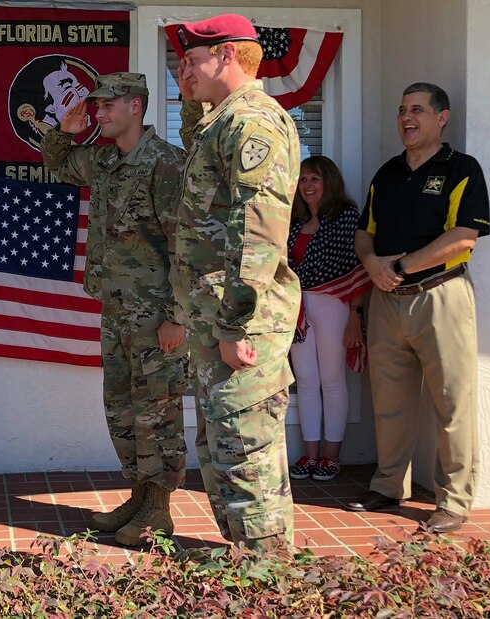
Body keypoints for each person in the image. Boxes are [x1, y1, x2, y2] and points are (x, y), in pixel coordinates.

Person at [40, 73, 189, 546]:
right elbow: (58, 165)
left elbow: (186, 246)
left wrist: (178, 317)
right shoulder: (105, 159)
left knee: (157, 412)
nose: (98, 114)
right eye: (96, 106)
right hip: (117, 309)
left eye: (106, 106)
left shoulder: (166, 164)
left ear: (135, 106)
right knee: (122, 409)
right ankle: (139, 496)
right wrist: (64, 128)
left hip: (156, 315)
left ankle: (158, 509)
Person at [173, 14, 301, 550]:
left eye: (193, 59)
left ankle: (268, 578)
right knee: (222, 449)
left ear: (226, 56)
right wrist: (192, 100)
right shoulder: (221, 121)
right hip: (215, 321)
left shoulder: (252, 124)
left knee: (246, 451)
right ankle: (244, 569)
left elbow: (257, 232)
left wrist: (234, 324)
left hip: (240, 323)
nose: (184, 68)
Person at [348, 83, 490, 533]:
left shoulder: (461, 168)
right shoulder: (387, 172)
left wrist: (403, 266)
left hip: (440, 297)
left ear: (441, 117)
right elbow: (364, 232)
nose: (406, 118)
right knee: (389, 403)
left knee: (452, 403)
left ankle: (453, 502)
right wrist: (372, 264)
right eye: (401, 109)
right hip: (386, 300)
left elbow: (464, 236)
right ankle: (389, 486)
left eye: (417, 110)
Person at [287, 156, 367, 482]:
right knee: (305, 380)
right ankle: (310, 453)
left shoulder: (347, 218)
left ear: (329, 181)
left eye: (315, 179)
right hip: (298, 308)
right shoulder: (294, 221)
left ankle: (331, 457)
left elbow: (357, 269)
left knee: (332, 380)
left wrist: (355, 319)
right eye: (303, 179)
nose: (307, 186)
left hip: (334, 303)